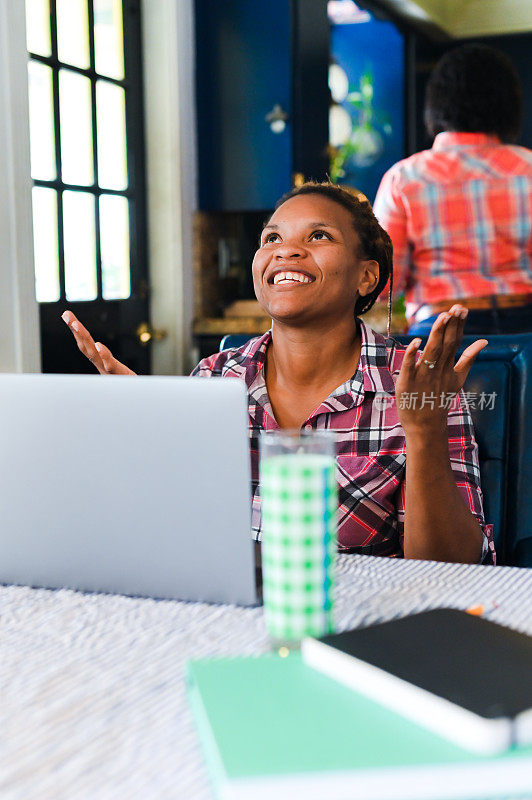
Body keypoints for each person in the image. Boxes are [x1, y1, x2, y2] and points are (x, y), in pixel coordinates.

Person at [62, 182, 495, 564]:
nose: (285, 250)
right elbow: (170, 536)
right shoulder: (214, 378)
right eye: (272, 237)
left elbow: (452, 567)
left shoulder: (421, 386)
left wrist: (423, 431)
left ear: (367, 277)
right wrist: (143, 433)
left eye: (319, 235)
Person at [373, 43, 532, 336]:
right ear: (510, 104)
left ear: (436, 104)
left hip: (439, 330)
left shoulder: (404, 177)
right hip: (525, 329)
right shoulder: (529, 169)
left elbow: (383, 283)